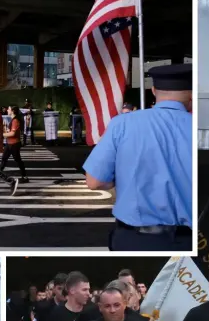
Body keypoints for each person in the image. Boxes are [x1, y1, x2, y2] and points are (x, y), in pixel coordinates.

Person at [83, 64, 194, 251]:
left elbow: (95, 181)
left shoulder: (122, 124)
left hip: (136, 239)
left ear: (153, 91)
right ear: (192, 93)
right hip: (193, 240)